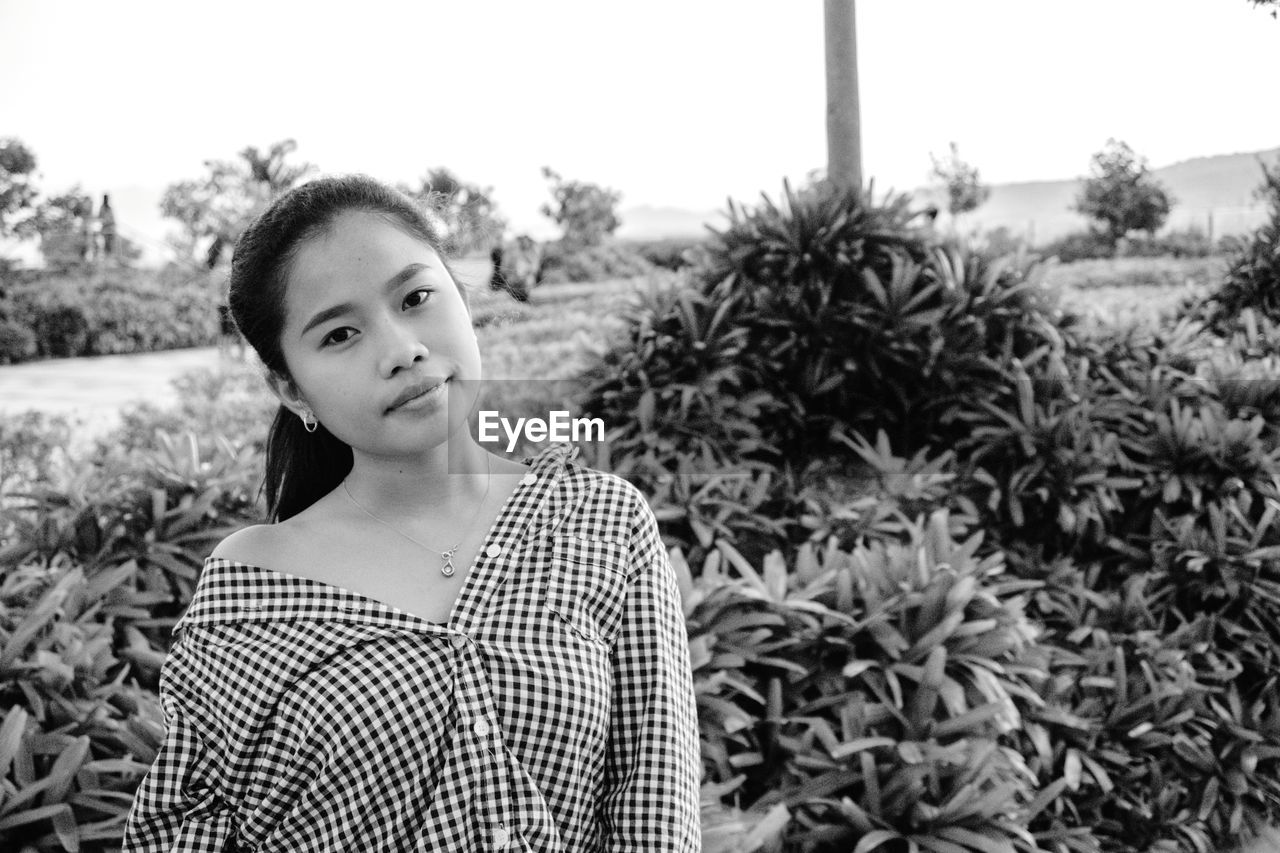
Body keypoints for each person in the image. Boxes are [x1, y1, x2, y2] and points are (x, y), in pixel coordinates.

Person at [120, 175, 701, 851]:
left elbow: (655, 809)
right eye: (339, 334)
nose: (401, 349)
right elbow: (185, 830)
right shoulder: (250, 589)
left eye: (416, 297)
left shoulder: (599, 521)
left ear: (463, 296)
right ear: (290, 386)